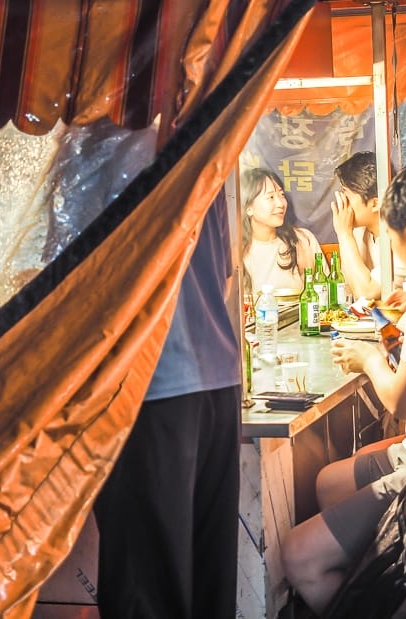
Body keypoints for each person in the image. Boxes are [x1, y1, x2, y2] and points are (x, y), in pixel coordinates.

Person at [281, 164, 406, 615]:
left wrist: (370, 360)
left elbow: (404, 402)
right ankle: (374, 587)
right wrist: (391, 337)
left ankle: (381, 595)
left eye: (393, 239)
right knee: (329, 483)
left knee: (298, 556)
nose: (395, 254)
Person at [94, 191, 242, 618]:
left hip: (147, 386)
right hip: (216, 376)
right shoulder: (198, 134)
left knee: (146, 593)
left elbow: (54, 272)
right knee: (206, 588)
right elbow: (226, 277)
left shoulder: (109, 133)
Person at [331, 151, 406, 301]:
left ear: (375, 203)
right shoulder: (359, 232)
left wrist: (344, 235)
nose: (342, 202)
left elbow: (366, 294)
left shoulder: (402, 240)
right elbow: (348, 289)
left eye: (346, 195)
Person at [241, 167, 319, 295]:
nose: (281, 203)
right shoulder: (235, 251)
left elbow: (324, 291)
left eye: (281, 195)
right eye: (271, 197)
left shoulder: (302, 240)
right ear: (249, 208)